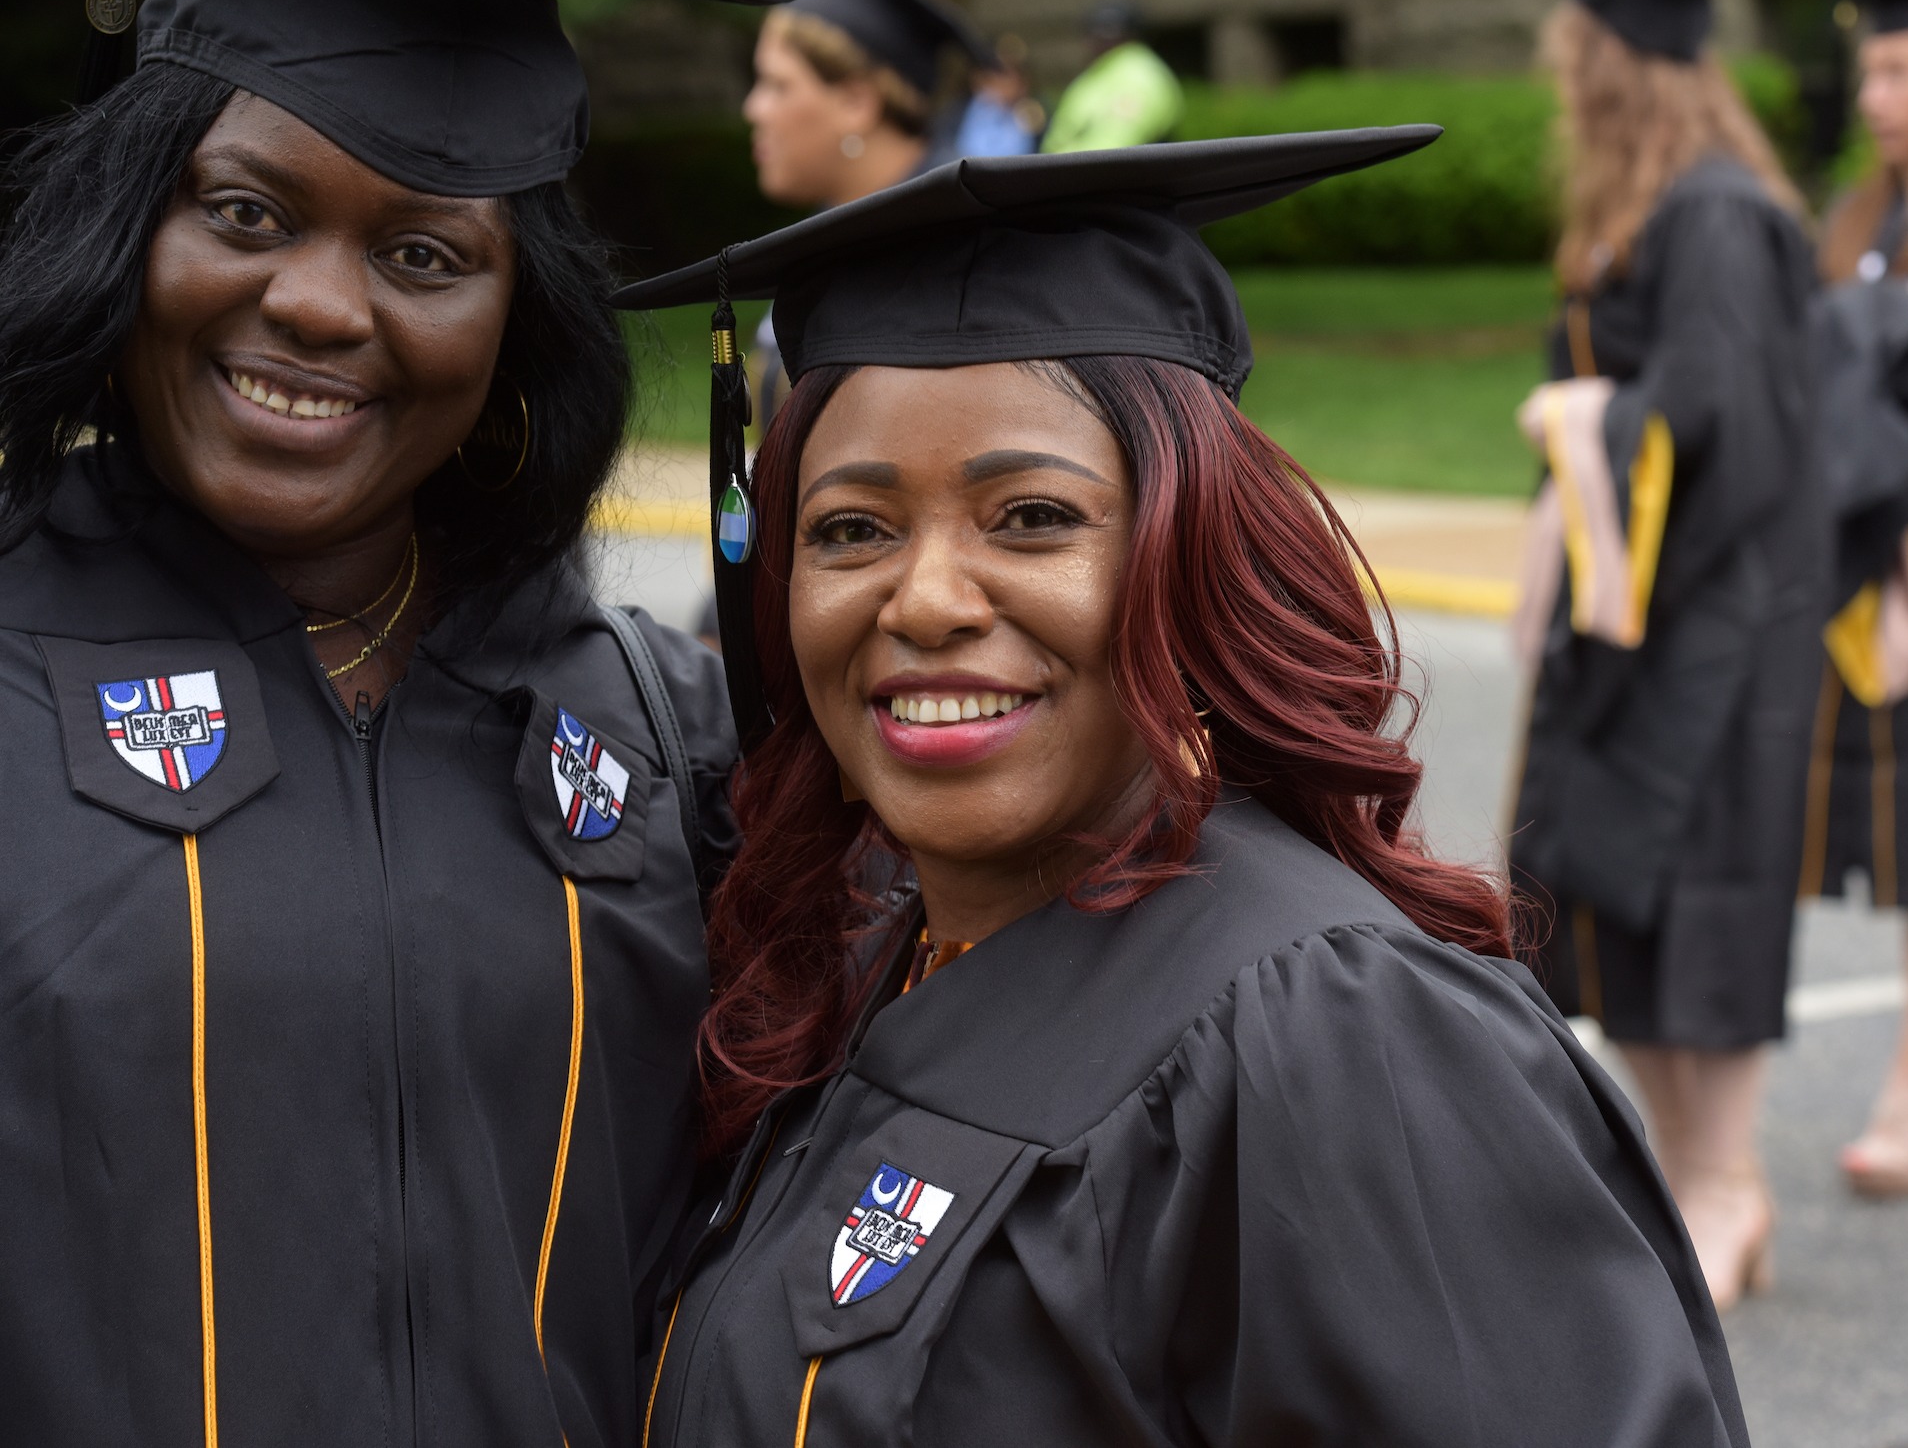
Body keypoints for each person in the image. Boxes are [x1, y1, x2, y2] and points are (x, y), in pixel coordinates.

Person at [613, 134, 1749, 1447]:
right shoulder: (868, 945)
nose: (922, 601)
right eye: (850, 529)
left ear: (1192, 555)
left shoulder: (1335, 1035)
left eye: (1030, 516)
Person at [0, 0, 788, 1445]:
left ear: (515, 326)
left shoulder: (651, 733)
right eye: (246, 210)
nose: (321, 303)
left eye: (425, 253)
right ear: (131, 224)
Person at [1508, 0, 1824, 1308]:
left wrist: (1579, 420)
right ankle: (1689, 1169)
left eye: (1572, 62)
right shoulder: (1648, 212)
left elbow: (1724, 423)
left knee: (1704, 894)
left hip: (1716, 618)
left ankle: (1727, 1182)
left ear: (1612, 66)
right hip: (1631, 613)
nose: (1559, 87)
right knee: (1601, 891)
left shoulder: (1714, 216)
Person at [1804, 0, 1908, 1197]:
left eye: (1905, 69)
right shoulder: (1864, 225)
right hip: (1892, 565)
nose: (1878, 94)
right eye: (1871, 73)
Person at [740, 0, 1000, 428]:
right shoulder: (836, 238)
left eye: (777, 85)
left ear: (858, 102)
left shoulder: (955, 264)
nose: (753, 109)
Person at [1039, 0, 1183, 154]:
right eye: (1096, 33)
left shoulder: (1140, 75)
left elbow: (1112, 151)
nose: (1097, 41)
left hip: (1117, 176)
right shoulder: (1098, 73)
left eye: (1110, 33)